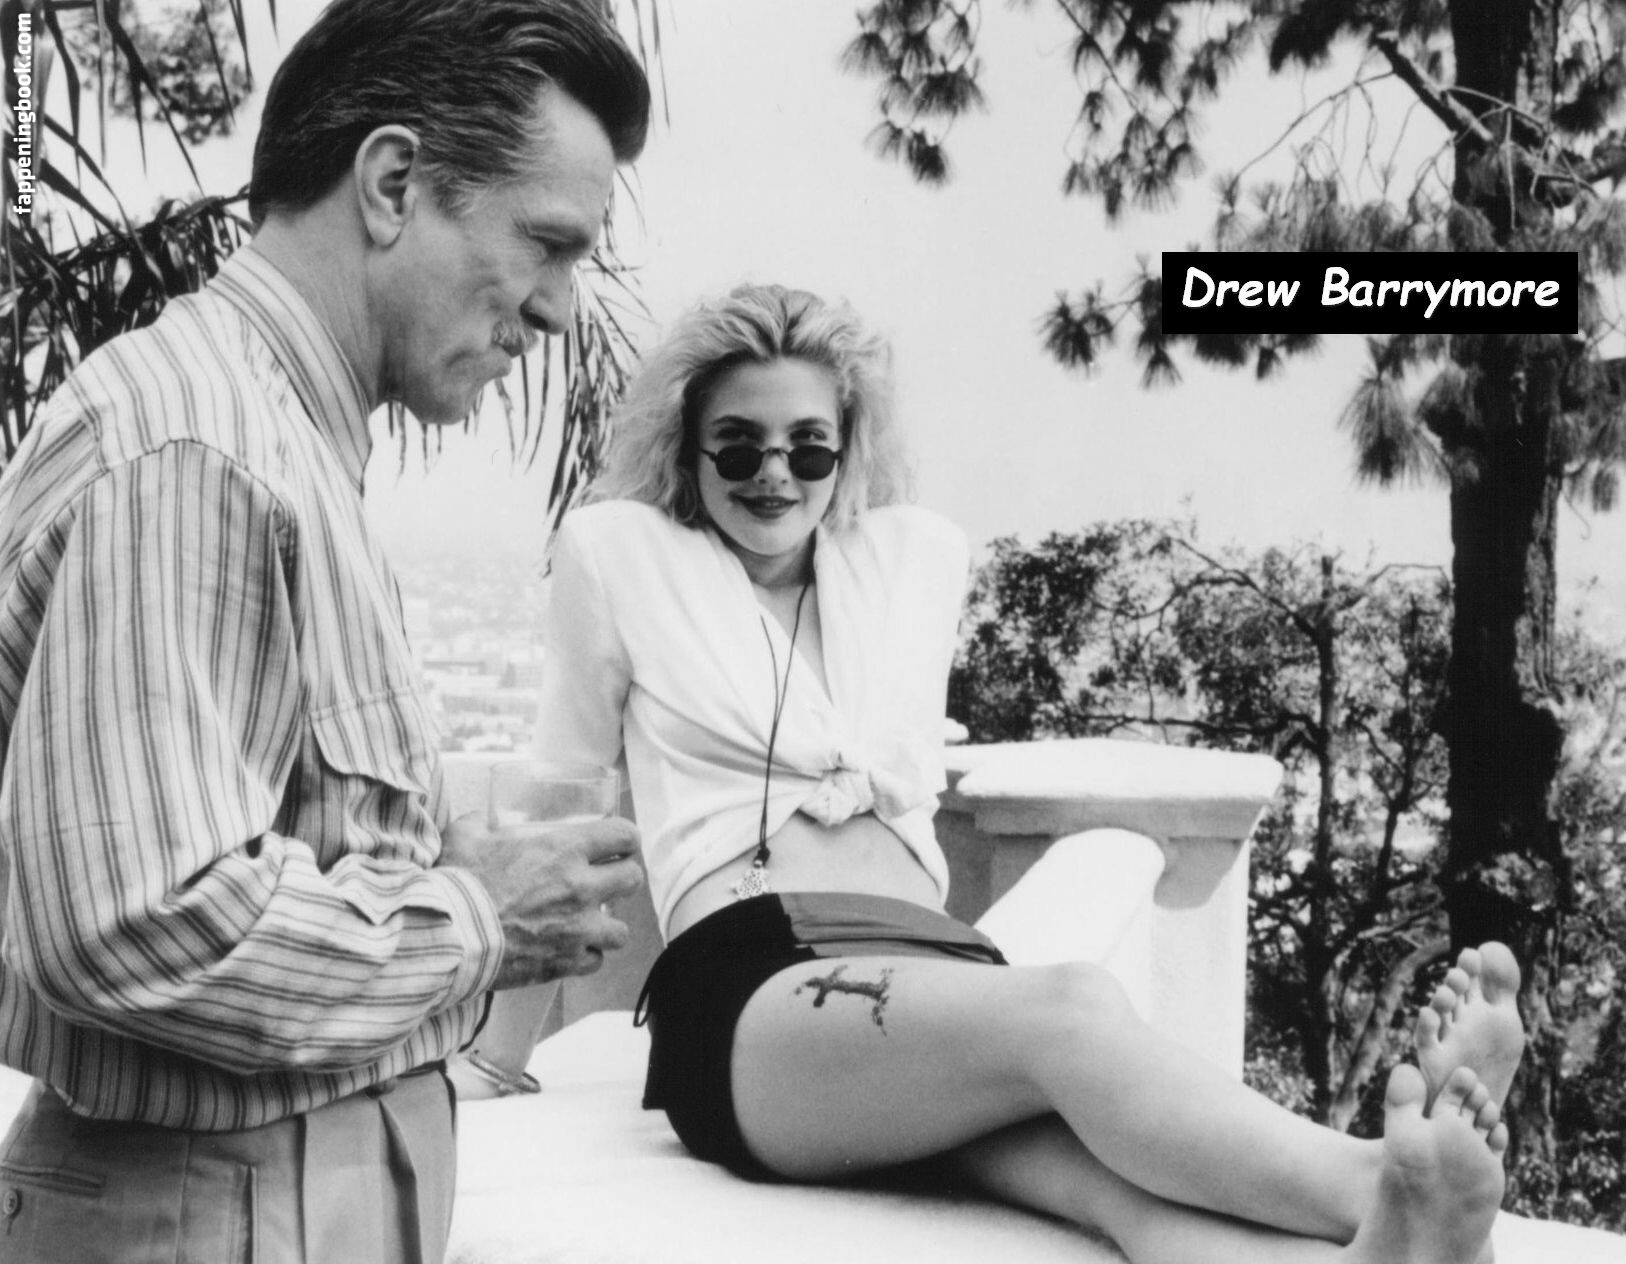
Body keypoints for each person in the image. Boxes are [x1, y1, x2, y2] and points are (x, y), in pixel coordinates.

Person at [504, 281, 1529, 1264]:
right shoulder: (624, 557)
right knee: (1075, 1006)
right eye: (738, 443)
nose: (775, 472)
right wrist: (493, 1048)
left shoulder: (902, 565)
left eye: (808, 445)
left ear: (847, 450)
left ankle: (1386, 1253)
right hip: (750, 985)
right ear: (687, 446)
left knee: (1109, 1192)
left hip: (938, 974)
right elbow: (559, 801)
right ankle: (1369, 1180)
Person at [0, 2, 649, 1260]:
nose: (559, 311)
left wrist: (424, 861)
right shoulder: (200, 445)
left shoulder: (263, 436)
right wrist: (480, 916)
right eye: (547, 243)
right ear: (393, 183)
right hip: (211, 1210)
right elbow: (137, 925)